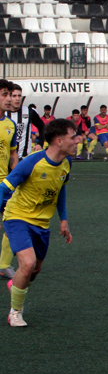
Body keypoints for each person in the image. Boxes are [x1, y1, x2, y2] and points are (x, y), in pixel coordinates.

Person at [2, 119, 78, 327]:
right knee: (27, 264)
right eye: (73, 137)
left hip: (42, 223)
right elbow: (3, 188)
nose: (77, 141)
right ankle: (15, 313)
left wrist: (63, 219)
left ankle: (16, 283)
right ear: (59, 141)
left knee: (34, 270)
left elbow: (60, 188)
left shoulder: (66, 162)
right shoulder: (32, 162)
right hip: (17, 217)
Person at [0, 80, 17, 281]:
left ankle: (3, 265)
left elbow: (12, 153)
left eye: (10, 95)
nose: (9, 99)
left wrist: (18, 175)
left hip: (5, 184)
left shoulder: (10, 125)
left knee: (13, 222)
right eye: (4, 94)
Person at [8, 85, 45, 163]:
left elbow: (42, 127)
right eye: (14, 96)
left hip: (24, 158)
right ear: (9, 97)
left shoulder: (29, 111)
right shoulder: (3, 113)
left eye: (19, 96)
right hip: (5, 158)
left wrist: (40, 143)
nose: (17, 99)